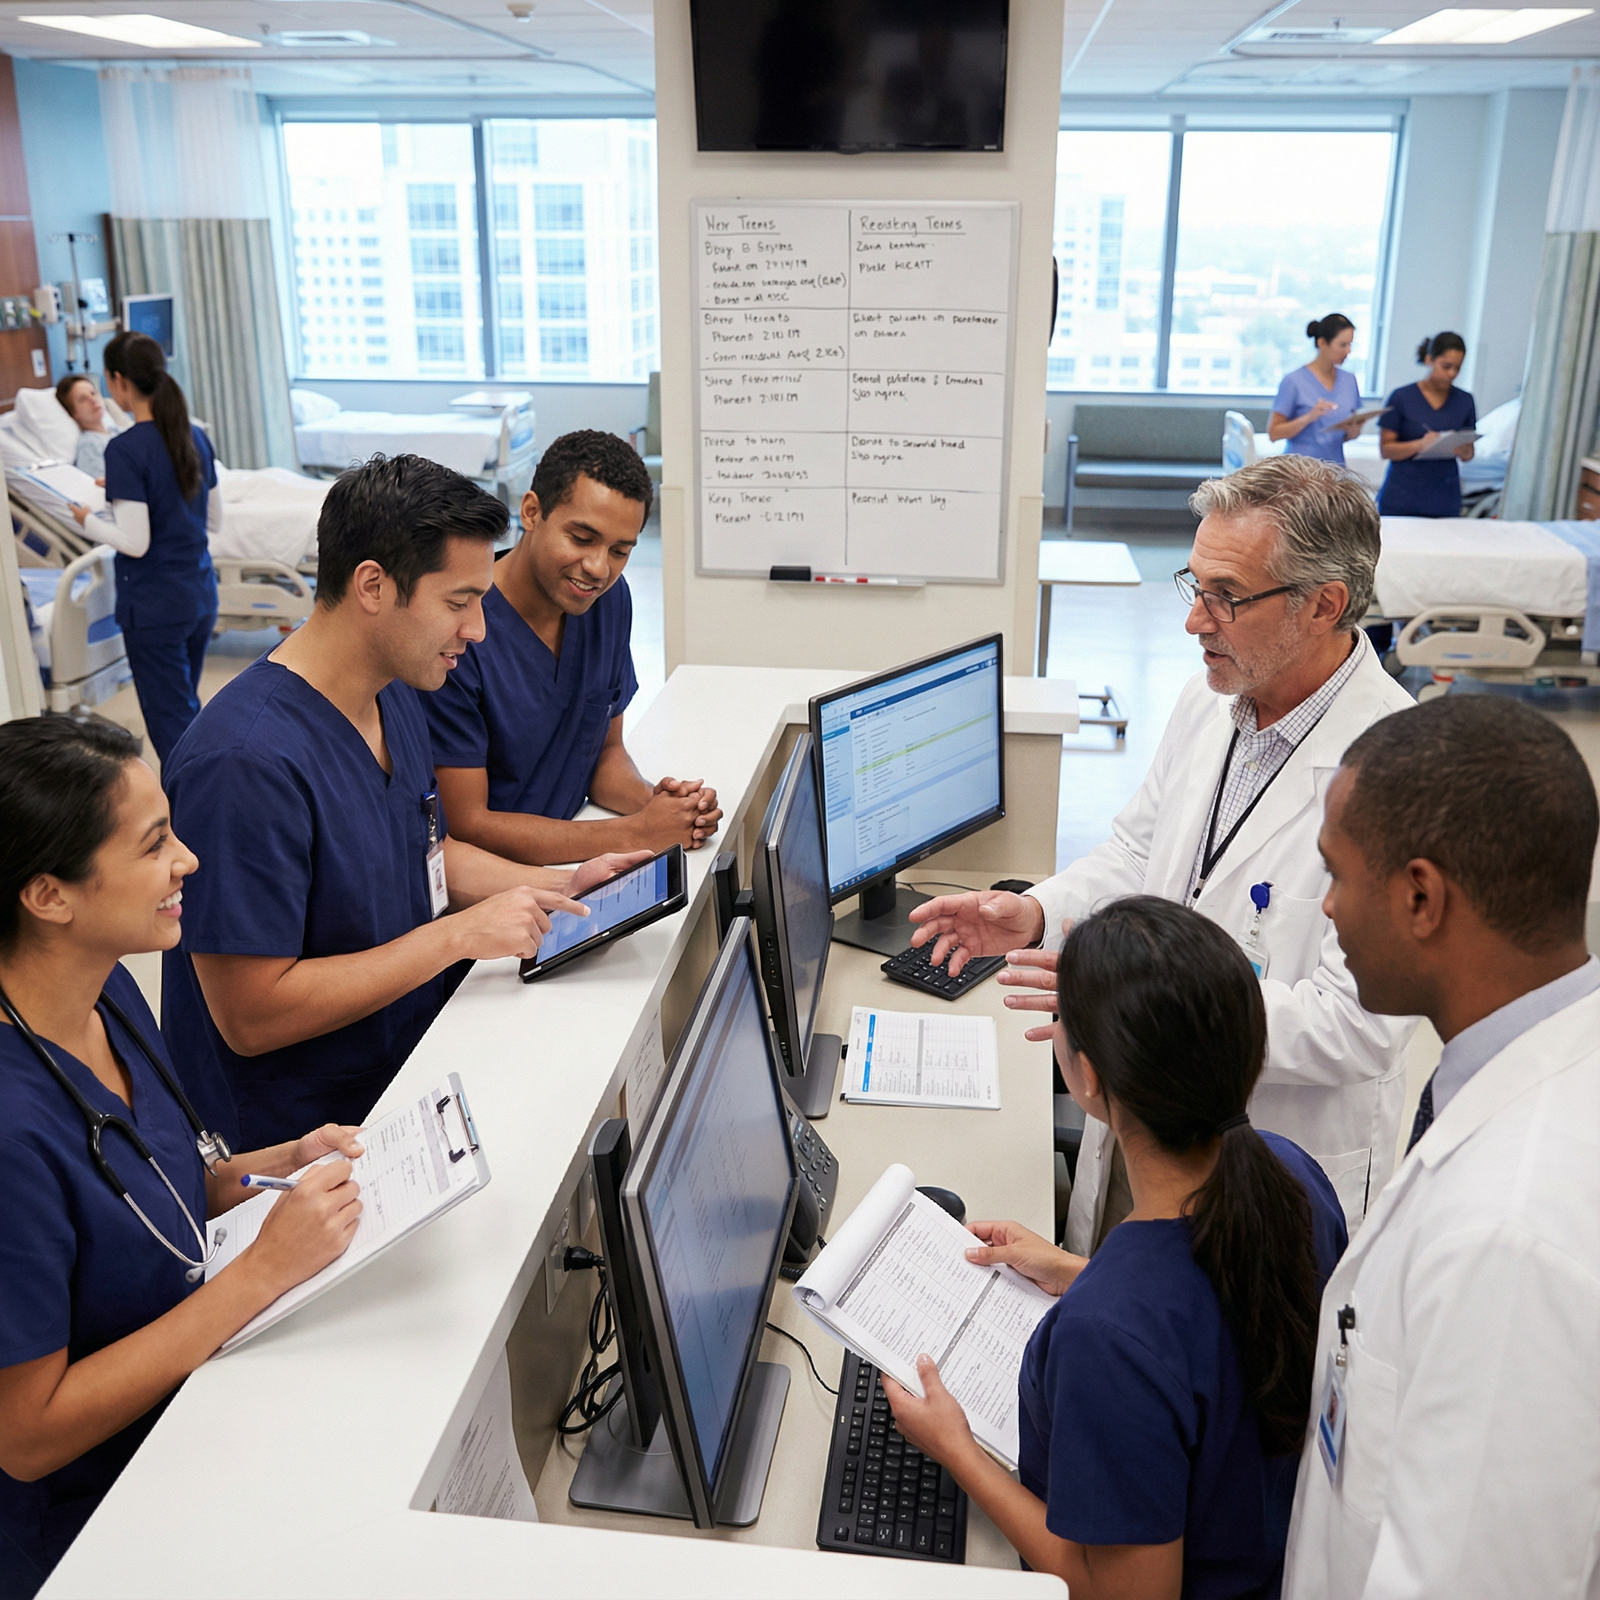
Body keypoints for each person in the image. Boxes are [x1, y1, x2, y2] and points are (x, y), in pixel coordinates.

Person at [910, 455, 1416, 1240]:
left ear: (1325, 604)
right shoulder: (1210, 701)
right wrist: (1037, 912)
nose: (1194, 621)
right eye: (1195, 586)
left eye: (1228, 597)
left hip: (1271, 1168)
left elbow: (1358, 1025)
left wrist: (1145, 999)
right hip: (1145, 1121)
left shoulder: (1397, 769)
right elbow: (1137, 856)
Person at [161, 454, 648, 1151]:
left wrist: (560, 887)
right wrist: (456, 936)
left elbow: (426, 850)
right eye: (458, 603)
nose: (478, 629)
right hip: (301, 1137)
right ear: (372, 586)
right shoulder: (243, 765)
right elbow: (251, 1015)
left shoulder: (394, 693)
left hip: (409, 1066)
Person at [885, 898, 1347, 1597]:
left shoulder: (1108, 1335)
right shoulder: (1292, 1174)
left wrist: (956, 1449)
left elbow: (1123, 1593)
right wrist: (1078, 1271)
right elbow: (1209, 1319)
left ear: (1090, 1076)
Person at [0, 716, 366, 1597]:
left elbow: (156, 1186)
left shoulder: (107, 991)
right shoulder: (10, 1134)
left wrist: (282, 1161)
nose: (189, 861)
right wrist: (260, 1275)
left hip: (196, 1409)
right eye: (155, 843)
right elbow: (27, 1435)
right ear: (49, 895)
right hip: (90, 1522)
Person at [1284, 693, 1600, 1597]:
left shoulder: (1511, 1238)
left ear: (1421, 897)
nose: (1328, 909)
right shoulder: (1522, 1071)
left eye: (1336, 876)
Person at [422, 430, 722, 865]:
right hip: (498, 881)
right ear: (531, 512)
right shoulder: (462, 633)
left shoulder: (606, 603)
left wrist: (663, 808)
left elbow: (603, 756)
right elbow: (468, 824)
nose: (599, 568)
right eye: (582, 538)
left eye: (619, 551)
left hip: (577, 852)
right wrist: (635, 833)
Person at [66, 333, 220, 770]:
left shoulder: (125, 449)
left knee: (172, 723)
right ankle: (207, 787)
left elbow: (136, 542)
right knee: (186, 709)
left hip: (156, 608)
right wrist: (123, 491)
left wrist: (87, 520)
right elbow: (213, 521)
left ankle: (196, 801)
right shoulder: (194, 436)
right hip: (199, 596)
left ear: (118, 381)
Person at [1375, 331, 1477, 519]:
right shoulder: (1401, 397)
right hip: (1401, 498)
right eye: (1446, 366)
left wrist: (1464, 451)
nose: (1452, 374)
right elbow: (1386, 450)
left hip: (1445, 499)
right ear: (1429, 359)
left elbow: (1469, 452)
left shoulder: (1465, 401)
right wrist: (1420, 445)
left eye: (1457, 368)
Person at [1268, 315, 1367, 467]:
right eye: (1343, 345)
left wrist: (1352, 432)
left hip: (1335, 469)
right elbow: (1274, 433)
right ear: (1322, 343)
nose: (1348, 351)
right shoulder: (1294, 381)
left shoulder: (1349, 380)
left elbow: (1342, 436)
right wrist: (1309, 417)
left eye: (1350, 345)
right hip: (1300, 470)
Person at [54, 374, 120, 478]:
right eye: (83, 399)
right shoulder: (89, 446)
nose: (93, 400)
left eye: (93, 393)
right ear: (73, 413)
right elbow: (98, 482)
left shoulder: (116, 430)